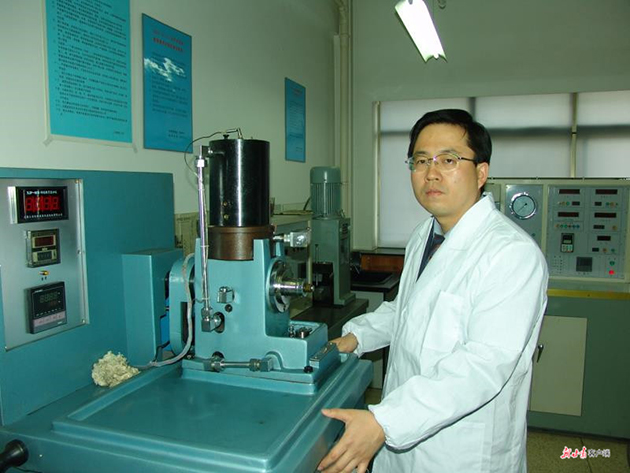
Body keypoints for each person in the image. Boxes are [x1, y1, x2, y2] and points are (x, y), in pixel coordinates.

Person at [317, 109, 548, 473]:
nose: (432, 173)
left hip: (461, 452)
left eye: (449, 160)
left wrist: (385, 421)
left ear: (481, 173)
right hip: (405, 439)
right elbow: (407, 309)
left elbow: (483, 365)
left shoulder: (511, 254)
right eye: (421, 160)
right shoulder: (424, 235)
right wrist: (355, 338)